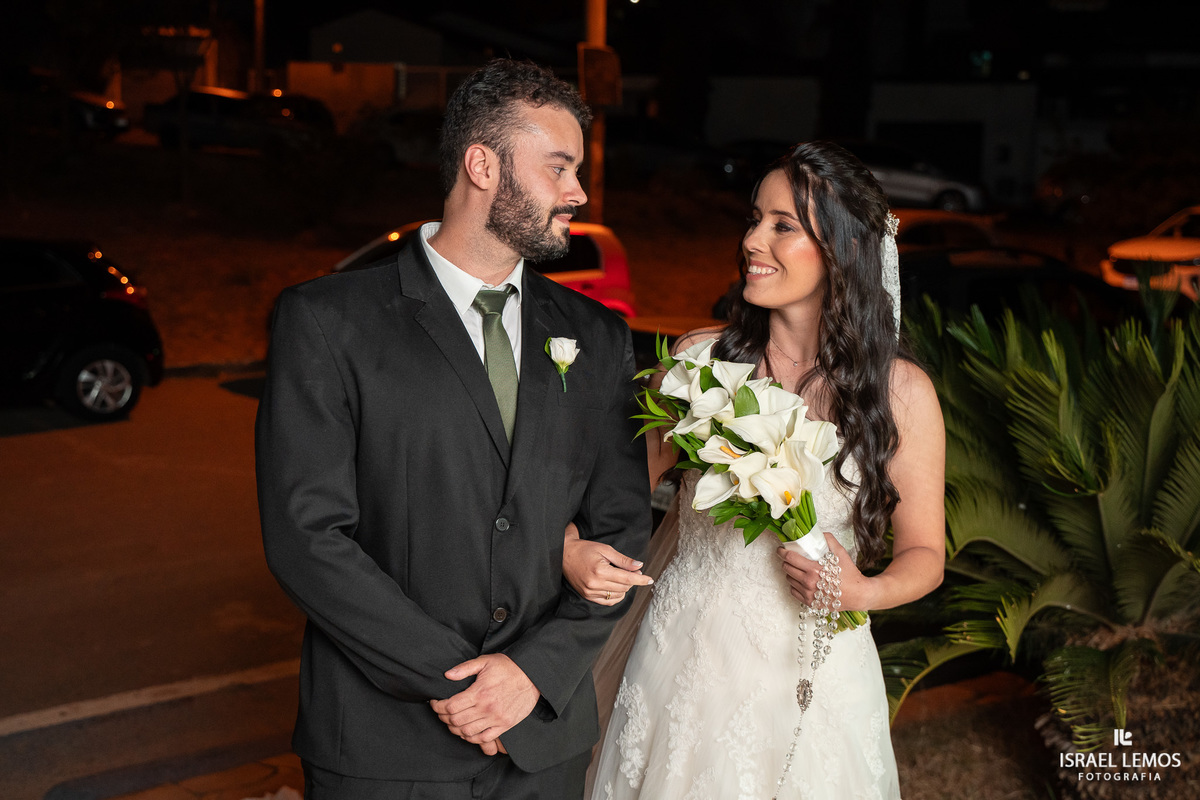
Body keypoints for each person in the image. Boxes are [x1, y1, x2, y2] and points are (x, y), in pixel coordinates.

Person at [256, 59, 651, 799]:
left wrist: (533, 672)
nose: (579, 192)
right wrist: (463, 683)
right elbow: (306, 535)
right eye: (559, 167)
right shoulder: (327, 321)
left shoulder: (596, 336)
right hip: (380, 743)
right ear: (482, 165)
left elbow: (623, 530)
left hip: (543, 741)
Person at [564, 141, 946, 798]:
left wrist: (864, 592)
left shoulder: (900, 393)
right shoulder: (700, 362)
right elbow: (609, 495)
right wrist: (571, 543)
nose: (752, 241)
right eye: (753, 218)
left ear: (843, 252)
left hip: (815, 672)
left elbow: (925, 554)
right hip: (683, 660)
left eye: (782, 226)